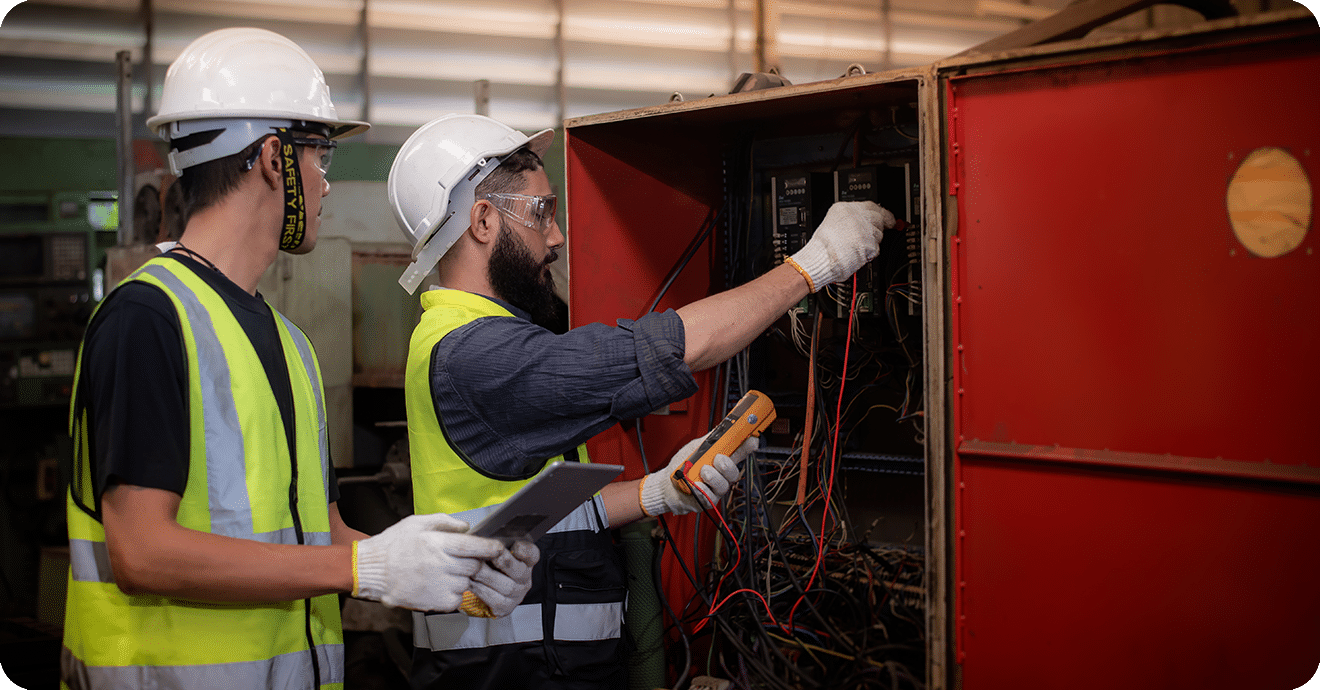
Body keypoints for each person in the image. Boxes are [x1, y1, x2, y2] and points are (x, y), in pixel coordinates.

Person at [61, 30, 536, 690]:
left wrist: (446, 573)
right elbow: (142, 551)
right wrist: (361, 573)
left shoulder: (289, 342)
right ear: (270, 158)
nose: (327, 187)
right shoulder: (147, 318)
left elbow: (323, 534)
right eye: (322, 159)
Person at [387, 113, 894, 689]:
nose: (555, 236)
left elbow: (525, 520)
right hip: (507, 671)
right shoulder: (476, 356)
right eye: (541, 212)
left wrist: (656, 492)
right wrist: (814, 265)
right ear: (482, 221)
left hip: (532, 664)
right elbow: (674, 348)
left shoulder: (477, 339)